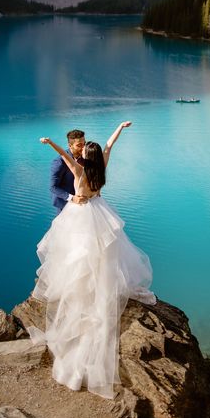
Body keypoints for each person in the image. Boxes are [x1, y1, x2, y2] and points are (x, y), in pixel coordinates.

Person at [28, 121, 156, 399]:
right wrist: (120, 127)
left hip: (81, 215)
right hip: (99, 210)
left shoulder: (81, 169)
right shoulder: (100, 168)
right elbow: (109, 146)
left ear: (87, 153)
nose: (82, 148)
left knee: (77, 255)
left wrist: (49, 142)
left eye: (85, 146)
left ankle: (82, 290)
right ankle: (100, 284)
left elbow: (64, 154)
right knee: (104, 253)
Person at [50, 129, 85, 214]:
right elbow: (53, 187)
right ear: (70, 145)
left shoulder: (85, 157)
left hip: (82, 203)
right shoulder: (59, 162)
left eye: (84, 144)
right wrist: (72, 198)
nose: (83, 147)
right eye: (79, 145)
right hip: (65, 204)